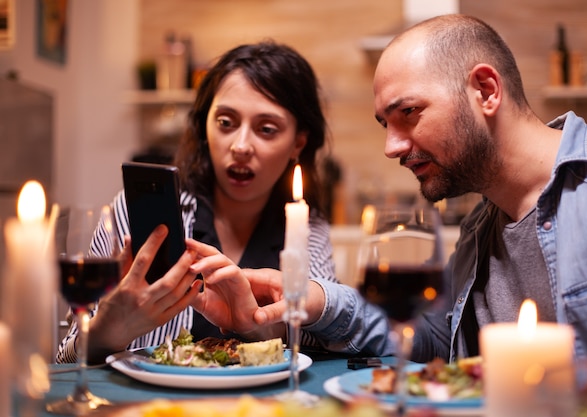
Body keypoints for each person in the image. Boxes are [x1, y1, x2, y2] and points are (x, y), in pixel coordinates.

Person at [56, 41, 393, 364]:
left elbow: (322, 339)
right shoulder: (134, 213)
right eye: (226, 123)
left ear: (298, 143)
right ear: (205, 127)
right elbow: (65, 359)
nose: (241, 146)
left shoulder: (305, 226)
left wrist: (259, 325)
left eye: (267, 129)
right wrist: (105, 332)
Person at [372, 14, 587, 364]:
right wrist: (322, 305)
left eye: (409, 111)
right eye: (386, 124)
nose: (392, 147)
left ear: (486, 91)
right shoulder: (476, 231)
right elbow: (434, 339)